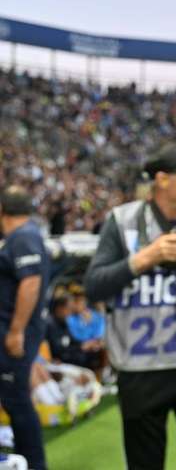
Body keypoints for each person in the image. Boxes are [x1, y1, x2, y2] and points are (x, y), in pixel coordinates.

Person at [84, 143, 176, 470]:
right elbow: (93, 286)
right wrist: (143, 259)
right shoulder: (122, 220)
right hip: (139, 368)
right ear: (163, 179)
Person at [0, 186, 49, 470]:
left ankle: (34, 464)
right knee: (14, 399)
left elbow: (30, 283)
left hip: (15, 333)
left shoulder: (23, 237)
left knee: (16, 400)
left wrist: (16, 330)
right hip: (16, 330)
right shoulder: (24, 235)